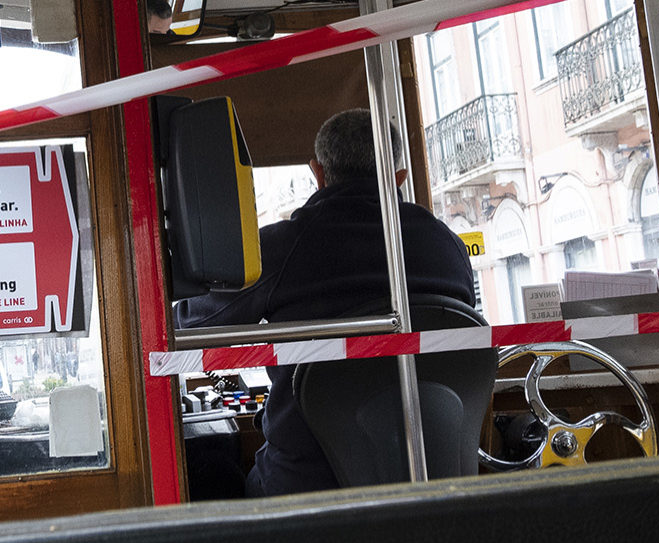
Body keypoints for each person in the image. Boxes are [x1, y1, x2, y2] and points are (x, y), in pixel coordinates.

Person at [175, 108, 476, 497]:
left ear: (317, 173)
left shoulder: (282, 247)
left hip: (305, 487)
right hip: (434, 477)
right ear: (398, 178)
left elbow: (191, 324)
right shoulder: (448, 247)